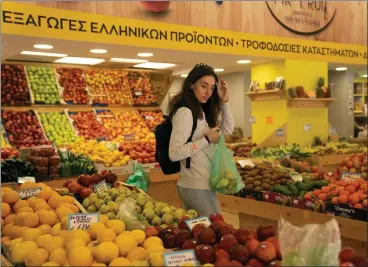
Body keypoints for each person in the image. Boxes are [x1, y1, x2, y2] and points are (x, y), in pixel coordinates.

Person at [168, 63, 234, 216]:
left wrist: (224, 103)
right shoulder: (185, 112)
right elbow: (174, 153)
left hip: (200, 185)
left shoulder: (199, 111)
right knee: (216, 233)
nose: (208, 92)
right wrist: (206, 139)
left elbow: (227, 130)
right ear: (191, 84)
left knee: (201, 235)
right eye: (204, 86)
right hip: (195, 186)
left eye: (211, 88)